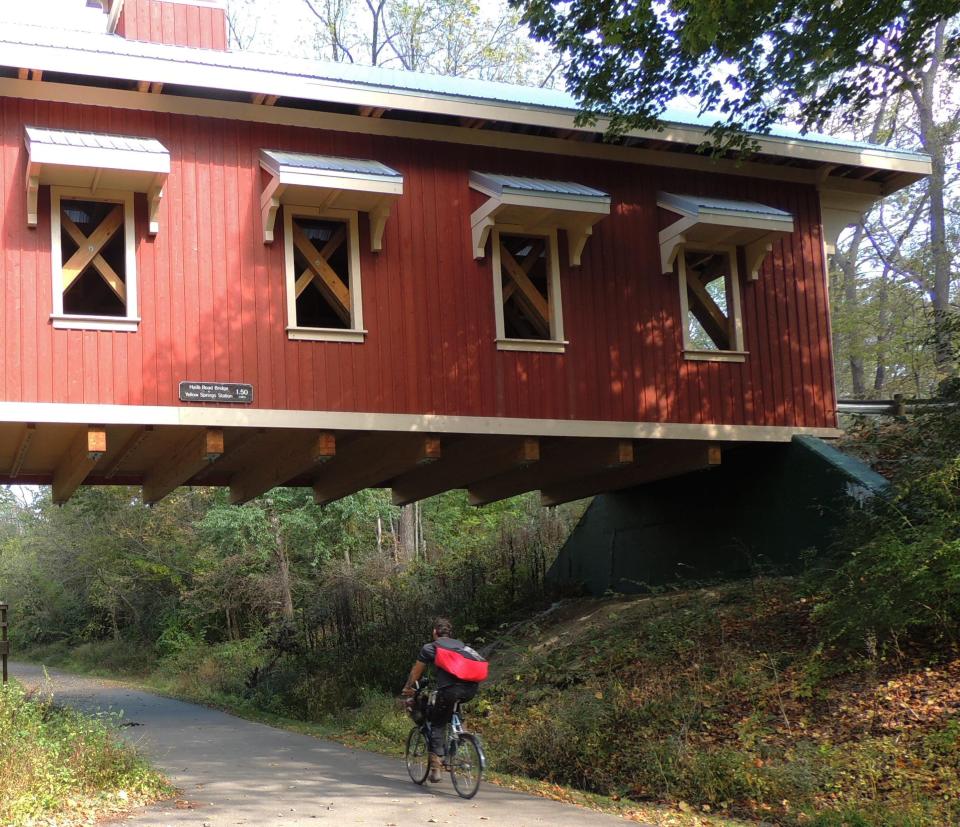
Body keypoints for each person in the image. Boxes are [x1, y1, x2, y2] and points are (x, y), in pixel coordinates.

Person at [401, 617, 487, 782]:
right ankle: (458, 743)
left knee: (437, 722)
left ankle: (436, 768)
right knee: (455, 713)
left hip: (449, 691)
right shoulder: (461, 646)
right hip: (470, 690)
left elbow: (416, 671)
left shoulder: (430, 648)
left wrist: (408, 687)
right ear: (450, 633)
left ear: (435, 632)